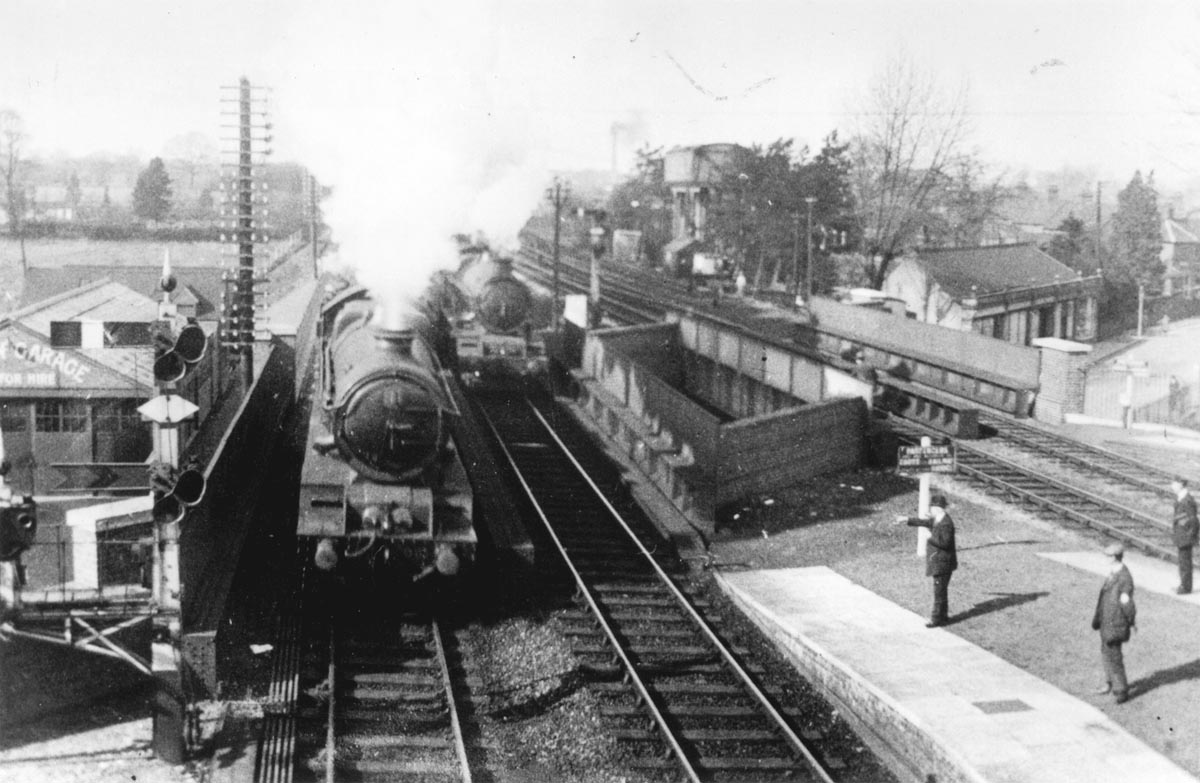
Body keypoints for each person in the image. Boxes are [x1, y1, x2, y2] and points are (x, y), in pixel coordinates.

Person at [894, 494, 957, 627]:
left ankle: (935, 619)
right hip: (942, 562)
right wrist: (906, 519)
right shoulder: (939, 519)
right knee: (942, 590)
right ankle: (943, 617)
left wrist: (929, 537)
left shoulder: (946, 524)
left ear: (938, 508)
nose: (931, 510)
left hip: (942, 563)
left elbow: (945, 543)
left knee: (939, 591)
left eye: (932, 507)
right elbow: (924, 522)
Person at [1092, 543, 1136, 704]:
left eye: (1108, 557)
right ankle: (1109, 682)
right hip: (1107, 621)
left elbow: (1127, 603)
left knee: (1114, 656)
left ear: (1114, 558)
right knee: (1106, 652)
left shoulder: (1124, 578)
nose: (1106, 560)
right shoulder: (1114, 573)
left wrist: (1130, 621)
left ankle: (1121, 690)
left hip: (1116, 623)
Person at [1171, 478, 1198, 594]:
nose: (1172, 486)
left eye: (1174, 484)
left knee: (1185, 562)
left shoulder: (1187, 500)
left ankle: (1186, 587)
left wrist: (1190, 535)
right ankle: (1184, 584)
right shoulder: (1181, 498)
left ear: (1181, 485)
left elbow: (1193, 520)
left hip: (1185, 536)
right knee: (1183, 562)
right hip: (1182, 535)